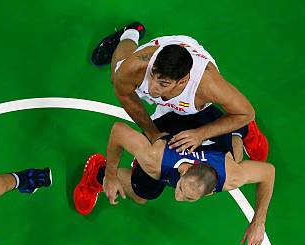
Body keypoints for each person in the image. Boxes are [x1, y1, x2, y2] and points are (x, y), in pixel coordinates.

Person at [74, 122, 274, 245]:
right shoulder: (155, 159)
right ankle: (96, 173)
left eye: (187, 197)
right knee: (141, 194)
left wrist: (259, 221)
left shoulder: (232, 176)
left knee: (236, 158)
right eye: (180, 189)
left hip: (209, 129)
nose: (178, 198)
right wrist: (110, 175)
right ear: (185, 169)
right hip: (170, 128)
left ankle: (241, 125)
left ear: (211, 191)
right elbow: (118, 131)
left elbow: (268, 173)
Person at [90, 23, 268, 160]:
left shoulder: (207, 86)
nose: (152, 88)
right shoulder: (136, 68)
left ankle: (245, 129)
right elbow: (125, 95)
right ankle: (129, 33)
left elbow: (246, 113)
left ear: (182, 81)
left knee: (236, 122)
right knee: (117, 78)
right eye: (153, 76)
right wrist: (152, 133)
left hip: (195, 98)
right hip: (162, 55)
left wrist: (201, 134)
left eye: (163, 84)